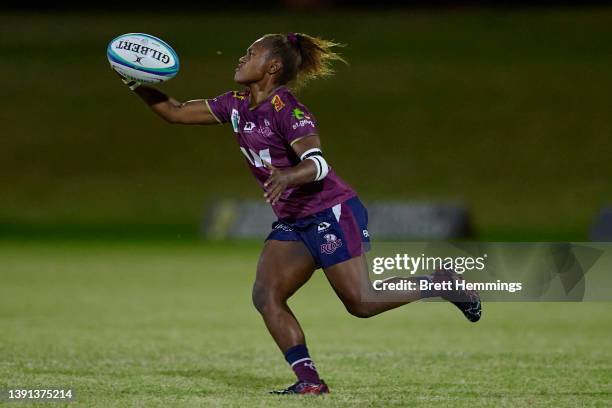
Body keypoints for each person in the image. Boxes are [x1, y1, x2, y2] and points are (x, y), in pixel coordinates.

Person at [114, 32, 481, 395]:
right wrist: (135, 79)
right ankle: (310, 381)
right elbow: (176, 113)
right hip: (294, 218)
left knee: (362, 303)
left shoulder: (288, 109)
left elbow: (317, 164)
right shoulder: (237, 104)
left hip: (330, 210)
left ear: (272, 67)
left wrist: (288, 175)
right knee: (266, 296)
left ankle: (440, 282)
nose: (241, 58)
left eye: (250, 53)